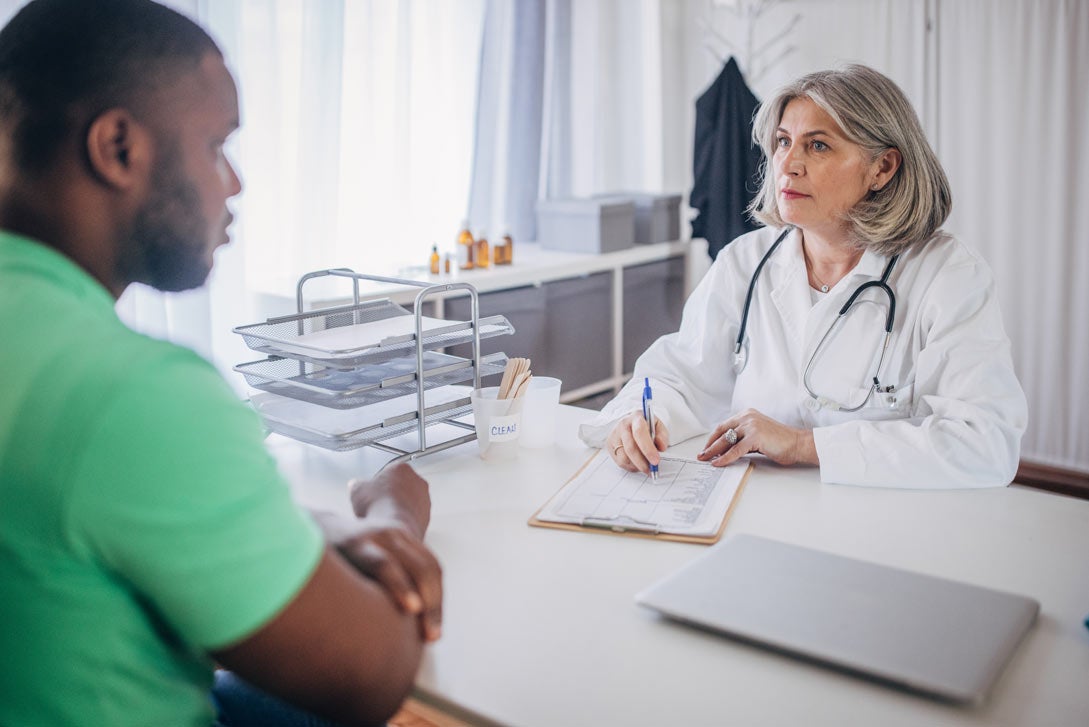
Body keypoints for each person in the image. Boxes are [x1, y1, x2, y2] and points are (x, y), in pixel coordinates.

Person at [0, 1, 441, 725]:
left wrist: (319, 526)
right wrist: (392, 510)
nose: (232, 184)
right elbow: (370, 677)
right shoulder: (131, 390)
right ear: (117, 147)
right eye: (215, 146)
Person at [580, 64, 1027, 489]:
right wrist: (644, 419)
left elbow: (986, 443)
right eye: (781, 141)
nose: (788, 164)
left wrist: (802, 445)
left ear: (882, 168)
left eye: (817, 145)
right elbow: (678, 375)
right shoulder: (745, 261)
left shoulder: (945, 275)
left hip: (882, 531)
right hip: (754, 512)